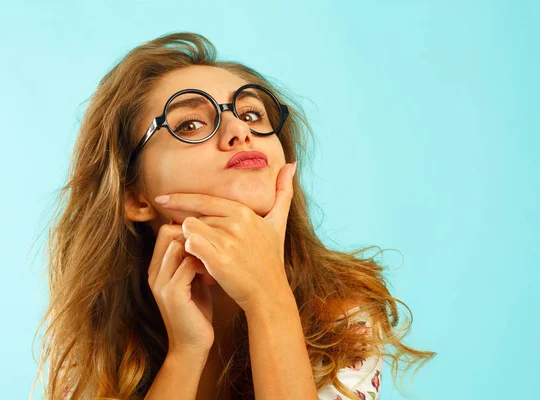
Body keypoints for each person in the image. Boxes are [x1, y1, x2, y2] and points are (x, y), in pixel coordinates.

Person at [31, 31, 436, 400]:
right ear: (135, 195)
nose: (239, 131)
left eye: (252, 114)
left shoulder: (344, 319)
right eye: (189, 124)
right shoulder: (95, 349)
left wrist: (267, 296)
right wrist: (186, 353)